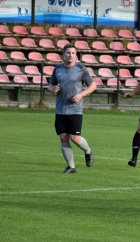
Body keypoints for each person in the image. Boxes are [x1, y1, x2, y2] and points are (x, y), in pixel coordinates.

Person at [48, 44, 96, 174]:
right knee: (63, 137)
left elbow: (93, 86)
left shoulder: (81, 69)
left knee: (74, 137)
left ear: (76, 55)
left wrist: (81, 95)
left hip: (75, 109)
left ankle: (88, 151)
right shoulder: (57, 69)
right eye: (68, 52)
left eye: (73, 53)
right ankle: (71, 166)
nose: (70, 55)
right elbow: (50, 85)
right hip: (60, 109)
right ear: (63, 54)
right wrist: (53, 88)